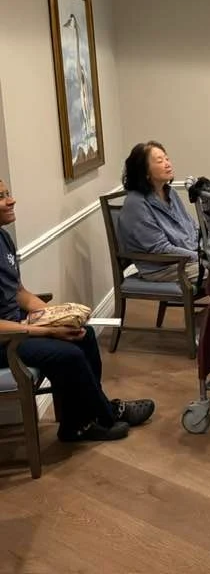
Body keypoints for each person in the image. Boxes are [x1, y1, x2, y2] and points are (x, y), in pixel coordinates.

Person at [0, 179, 155, 442]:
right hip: (6, 341)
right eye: (1, 197)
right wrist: (42, 330)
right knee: (68, 355)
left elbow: (19, 292)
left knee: (84, 334)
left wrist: (57, 315)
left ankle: (78, 423)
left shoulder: (3, 237)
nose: (11, 200)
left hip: (20, 327)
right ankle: (106, 415)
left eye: (7, 193)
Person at [118, 141, 200, 283]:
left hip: (188, 257)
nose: (167, 164)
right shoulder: (135, 203)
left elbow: (191, 227)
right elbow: (161, 248)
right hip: (164, 267)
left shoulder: (170, 192)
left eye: (167, 159)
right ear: (144, 171)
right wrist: (200, 257)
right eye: (160, 161)